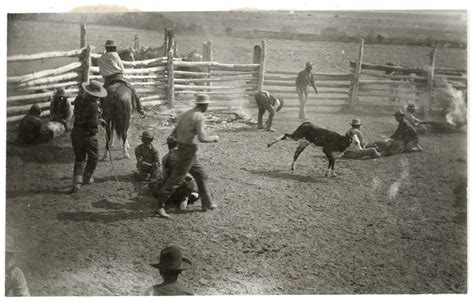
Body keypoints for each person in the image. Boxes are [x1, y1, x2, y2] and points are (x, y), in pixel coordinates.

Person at [155, 94, 219, 218]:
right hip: (188, 151)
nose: (207, 107)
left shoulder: (188, 113)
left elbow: (175, 131)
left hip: (185, 149)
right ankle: (159, 206)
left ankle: (207, 203)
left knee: (201, 175)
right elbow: (202, 137)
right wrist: (214, 138)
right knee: (176, 179)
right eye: (207, 104)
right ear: (204, 105)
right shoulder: (199, 116)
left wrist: (183, 139)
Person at [70, 80, 107, 193]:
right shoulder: (93, 106)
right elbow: (91, 123)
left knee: (79, 158)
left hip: (76, 133)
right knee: (94, 158)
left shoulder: (78, 99)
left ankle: (77, 183)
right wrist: (100, 121)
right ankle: (86, 178)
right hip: (88, 136)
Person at [149, 135, 200, 210]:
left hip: (175, 188)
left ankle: (176, 199)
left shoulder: (166, 158)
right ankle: (186, 196)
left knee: (156, 190)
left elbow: (166, 177)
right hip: (189, 185)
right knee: (196, 192)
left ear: (168, 146)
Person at [97, 39, 145, 117]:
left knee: (101, 96)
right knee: (132, 90)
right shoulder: (115, 55)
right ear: (113, 47)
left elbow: (101, 71)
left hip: (107, 80)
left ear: (106, 48)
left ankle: (101, 111)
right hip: (119, 76)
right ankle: (141, 109)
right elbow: (122, 68)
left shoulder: (101, 58)